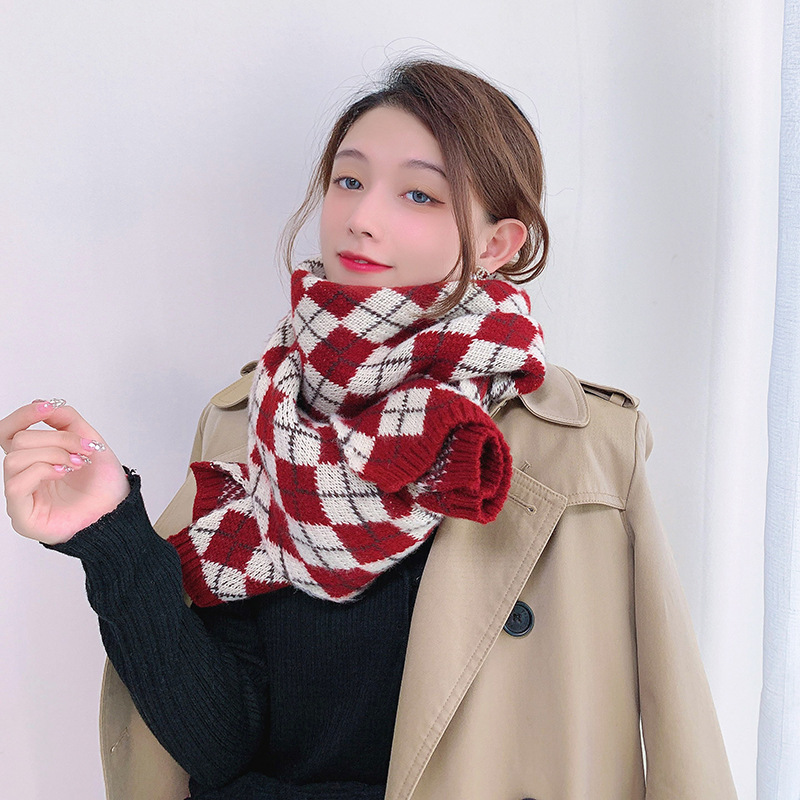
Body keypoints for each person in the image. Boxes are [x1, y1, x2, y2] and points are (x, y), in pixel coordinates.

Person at [0, 59, 737, 800]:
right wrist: (111, 535)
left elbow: (677, 725)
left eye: (418, 194)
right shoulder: (253, 422)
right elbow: (219, 743)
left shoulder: (584, 448)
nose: (361, 216)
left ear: (497, 244)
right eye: (349, 180)